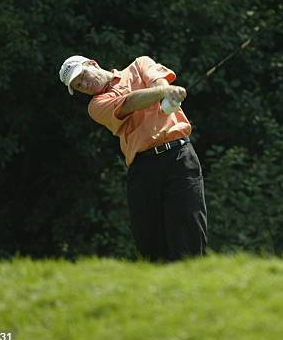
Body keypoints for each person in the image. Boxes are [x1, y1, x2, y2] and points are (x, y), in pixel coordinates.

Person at [59, 55, 207, 262]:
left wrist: (167, 93)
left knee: (189, 238)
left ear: (93, 63)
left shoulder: (139, 64)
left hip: (179, 158)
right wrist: (165, 93)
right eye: (79, 86)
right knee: (151, 248)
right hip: (143, 169)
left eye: (82, 76)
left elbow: (159, 81)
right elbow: (129, 103)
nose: (85, 84)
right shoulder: (96, 106)